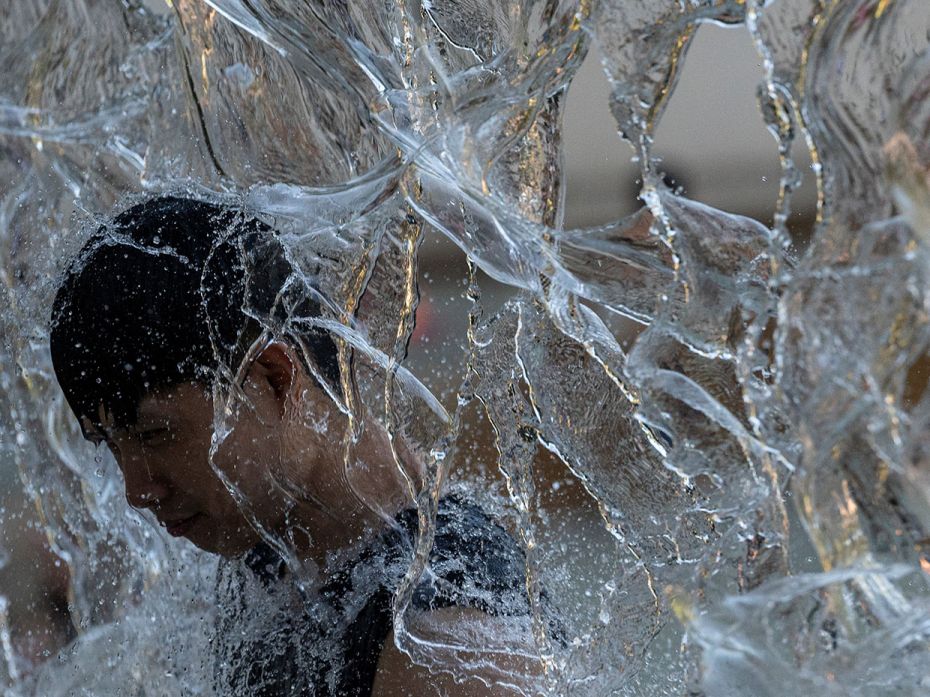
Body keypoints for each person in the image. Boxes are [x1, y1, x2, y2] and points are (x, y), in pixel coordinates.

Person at [49, 195, 548, 696]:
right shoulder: (275, 561)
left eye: (157, 435)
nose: (137, 489)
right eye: (110, 445)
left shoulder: (448, 651)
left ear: (274, 377)